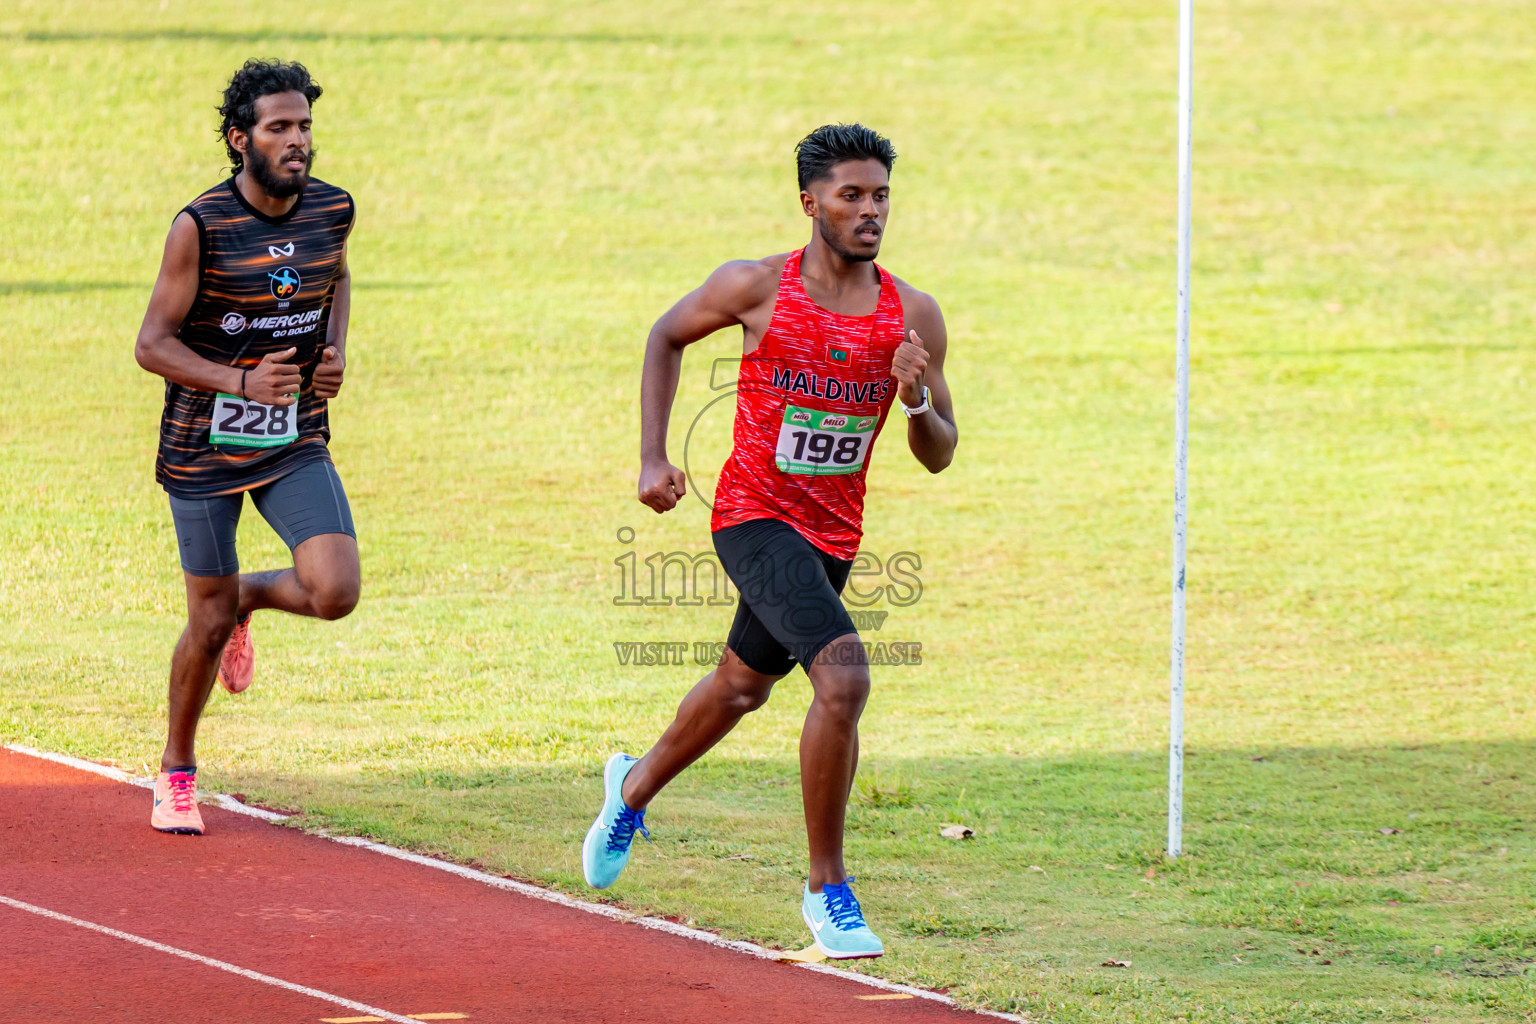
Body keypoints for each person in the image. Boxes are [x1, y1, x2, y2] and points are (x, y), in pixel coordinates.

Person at [584, 124, 958, 959]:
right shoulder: (755, 287)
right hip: (753, 516)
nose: (870, 212)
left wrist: (913, 400)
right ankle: (830, 892)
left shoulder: (913, 314)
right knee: (844, 678)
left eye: (881, 196)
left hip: (835, 531)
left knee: (742, 686)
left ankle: (630, 791)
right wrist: (653, 456)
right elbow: (665, 336)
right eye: (852, 195)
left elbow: (939, 454)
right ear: (810, 202)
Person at [133, 59, 359, 835]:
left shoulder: (333, 210)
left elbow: (336, 278)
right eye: (279, 128)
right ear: (241, 139)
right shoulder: (198, 226)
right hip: (203, 445)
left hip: (293, 435)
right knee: (204, 619)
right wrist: (237, 380)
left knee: (335, 591)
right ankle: (176, 771)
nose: (297, 142)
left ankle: (252, 598)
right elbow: (151, 345)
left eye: (304, 127)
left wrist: (332, 352)